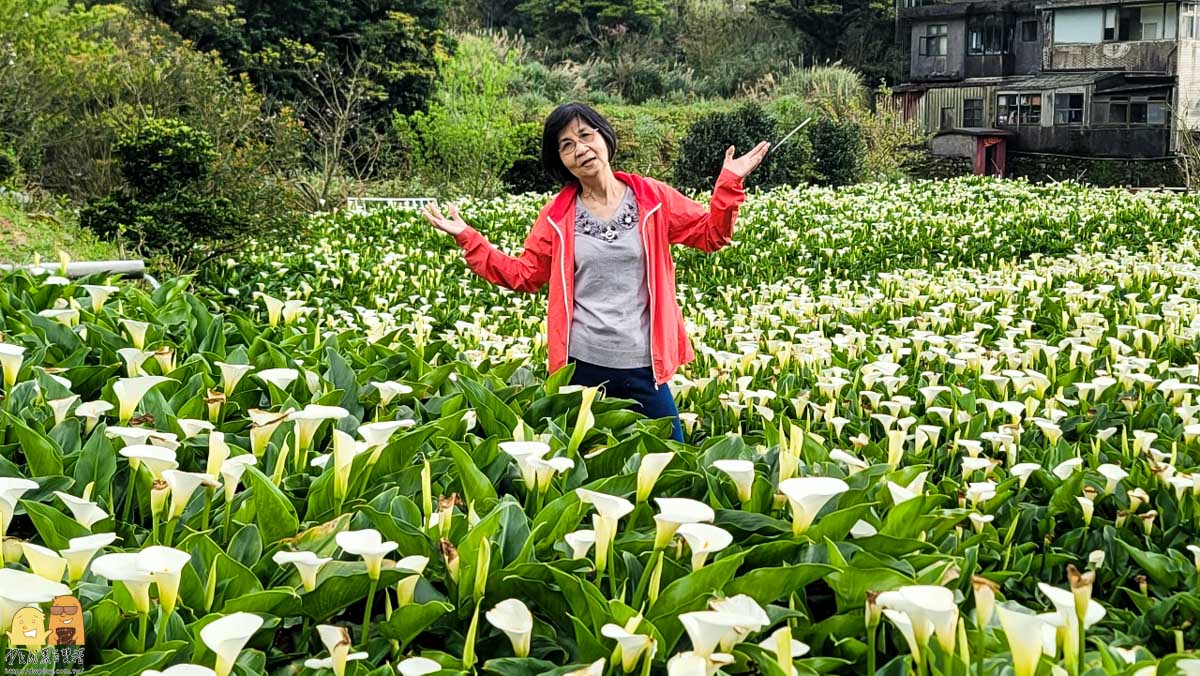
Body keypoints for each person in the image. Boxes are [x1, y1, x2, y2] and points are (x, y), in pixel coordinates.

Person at [421, 102, 768, 443]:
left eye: (586, 136)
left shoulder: (652, 198)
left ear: (604, 138)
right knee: (581, 467)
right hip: (582, 364)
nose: (580, 149)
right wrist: (469, 239)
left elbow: (711, 235)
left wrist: (729, 184)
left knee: (672, 454)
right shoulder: (557, 216)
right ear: (561, 160)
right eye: (567, 146)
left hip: (645, 365)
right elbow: (525, 275)